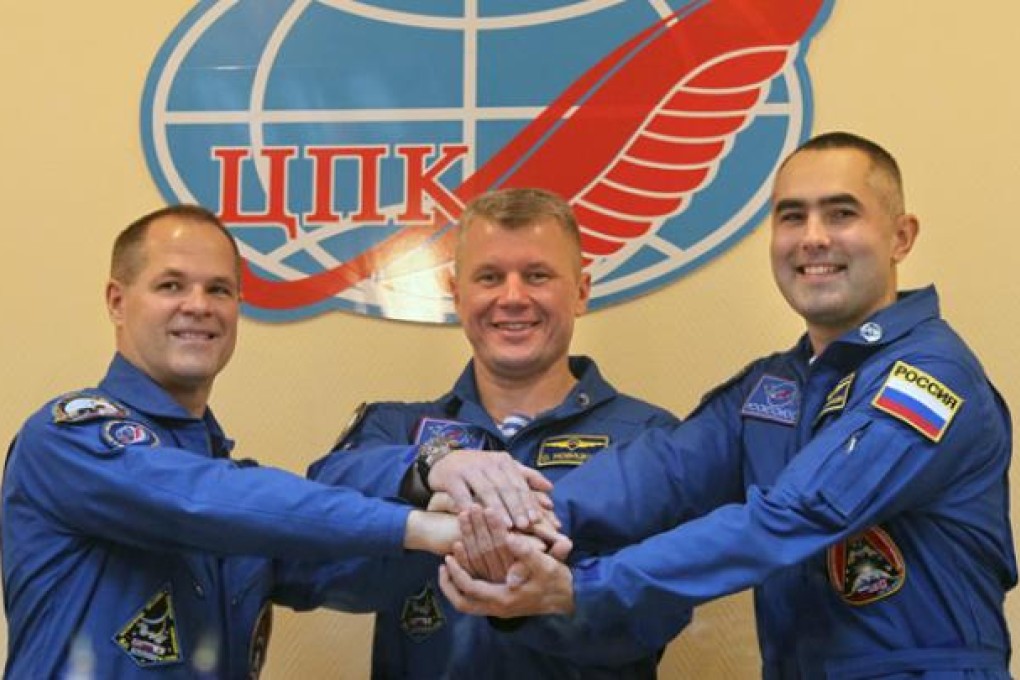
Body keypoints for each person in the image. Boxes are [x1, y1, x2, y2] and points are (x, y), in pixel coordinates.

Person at [440, 132, 1017, 678]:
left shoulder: (929, 376)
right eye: (792, 216)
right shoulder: (776, 388)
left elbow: (796, 516)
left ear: (901, 236)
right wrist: (500, 518)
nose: (813, 237)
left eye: (841, 213)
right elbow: (658, 476)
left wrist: (583, 586)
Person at [0, 205, 462, 678]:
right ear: (117, 301)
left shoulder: (240, 498)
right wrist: (416, 525)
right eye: (171, 285)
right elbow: (193, 499)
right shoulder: (66, 440)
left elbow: (346, 566)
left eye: (219, 289)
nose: (199, 305)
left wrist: (467, 536)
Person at [307, 187, 680, 678]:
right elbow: (317, 503)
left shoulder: (649, 437)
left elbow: (664, 607)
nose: (512, 297)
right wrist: (428, 469)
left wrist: (552, 594)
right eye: (489, 277)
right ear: (456, 293)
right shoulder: (398, 429)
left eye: (537, 275)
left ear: (582, 291)